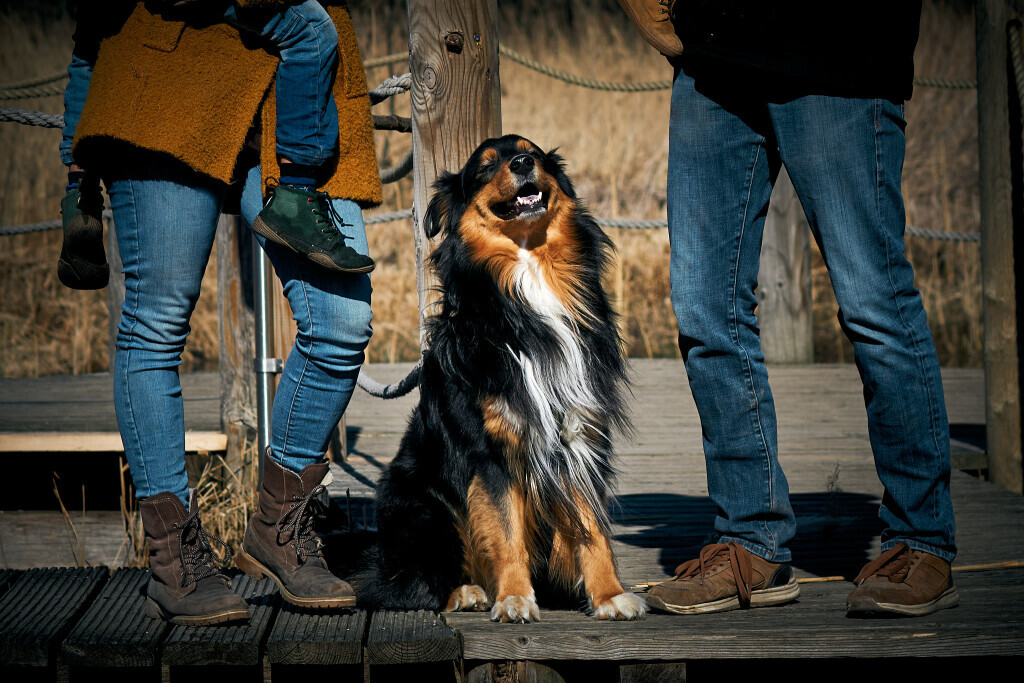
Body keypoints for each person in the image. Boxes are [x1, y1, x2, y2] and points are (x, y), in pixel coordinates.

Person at [617, 0, 959, 617]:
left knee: (872, 303)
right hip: (714, 53)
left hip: (841, 48)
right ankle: (750, 540)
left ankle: (921, 539)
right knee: (704, 312)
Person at [64, 0, 381, 624]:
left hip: (298, 98)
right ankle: (173, 557)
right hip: (175, 74)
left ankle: (278, 527)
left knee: (341, 322)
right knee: (156, 325)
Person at [58, 0, 372, 287]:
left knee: (90, 39)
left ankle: (80, 192)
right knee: (314, 31)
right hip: (189, 74)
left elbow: (87, 47)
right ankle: (297, 189)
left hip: (220, 86)